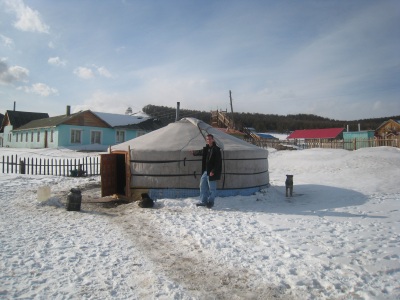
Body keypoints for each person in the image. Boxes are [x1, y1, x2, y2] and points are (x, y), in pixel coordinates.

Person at [192, 134, 222, 208]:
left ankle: (211, 202)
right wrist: (193, 152)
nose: (209, 140)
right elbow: (201, 152)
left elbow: (218, 162)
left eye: (210, 139)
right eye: (207, 139)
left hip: (211, 172)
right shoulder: (206, 148)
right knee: (202, 186)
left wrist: (213, 171)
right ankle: (203, 201)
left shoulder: (216, 149)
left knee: (212, 188)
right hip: (205, 171)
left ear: (213, 139)